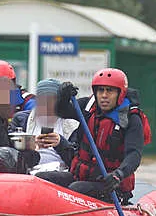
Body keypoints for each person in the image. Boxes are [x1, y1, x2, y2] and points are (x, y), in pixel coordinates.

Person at [54, 68, 145, 204]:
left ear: (120, 94)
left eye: (110, 91)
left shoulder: (131, 119)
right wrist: (63, 97)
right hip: (82, 177)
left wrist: (118, 175)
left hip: (111, 184)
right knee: (44, 178)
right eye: (100, 90)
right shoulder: (87, 107)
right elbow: (62, 111)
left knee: (76, 189)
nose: (104, 95)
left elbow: (134, 155)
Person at [10, 78, 78, 178]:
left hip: (61, 173)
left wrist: (60, 143)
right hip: (29, 172)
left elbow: (77, 161)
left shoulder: (72, 124)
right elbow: (10, 153)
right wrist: (31, 145)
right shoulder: (22, 120)